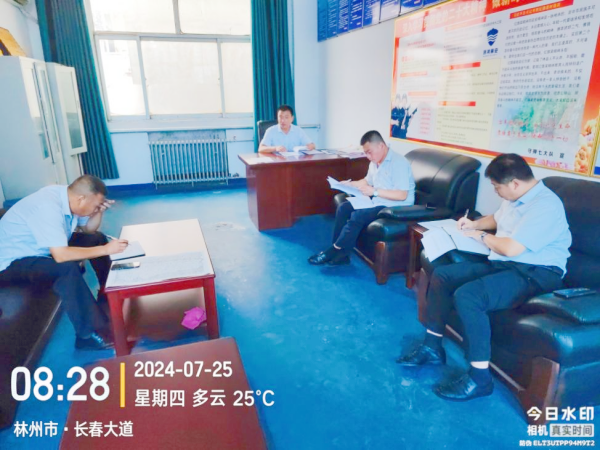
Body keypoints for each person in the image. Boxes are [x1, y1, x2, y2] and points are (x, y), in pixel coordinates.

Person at [396, 154, 571, 401]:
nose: (496, 192)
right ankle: (432, 348)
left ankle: (480, 379)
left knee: (469, 295)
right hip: (507, 264)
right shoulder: (516, 197)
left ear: (514, 183)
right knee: (443, 275)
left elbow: (511, 248)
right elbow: (497, 218)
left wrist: (480, 237)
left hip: (538, 273)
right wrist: (473, 225)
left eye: (497, 187)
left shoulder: (545, 206)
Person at [0, 175, 128, 350]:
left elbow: (89, 229)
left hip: (41, 248)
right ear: (81, 199)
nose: (95, 208)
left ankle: (108, 292)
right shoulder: (48, 207)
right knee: (65, 268)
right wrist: (106, 250)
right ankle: (86, 335)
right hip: (12, 262)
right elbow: (60, 255)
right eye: (95, 205)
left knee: (96, 239)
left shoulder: (70, 198)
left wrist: (99, 211)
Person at [308, 130, 415, 266]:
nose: (368, 156)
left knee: (358, 216)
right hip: (379, 201)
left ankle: (333, 250)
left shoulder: (398, 163)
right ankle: (341, 255)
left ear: (381, 146)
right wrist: (350, 184)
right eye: (365, 153)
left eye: (369, 152)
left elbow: (402, 195)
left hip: (395, 207)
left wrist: (374, 192)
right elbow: (366, 181)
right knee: (343, 208)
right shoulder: (375, 162)